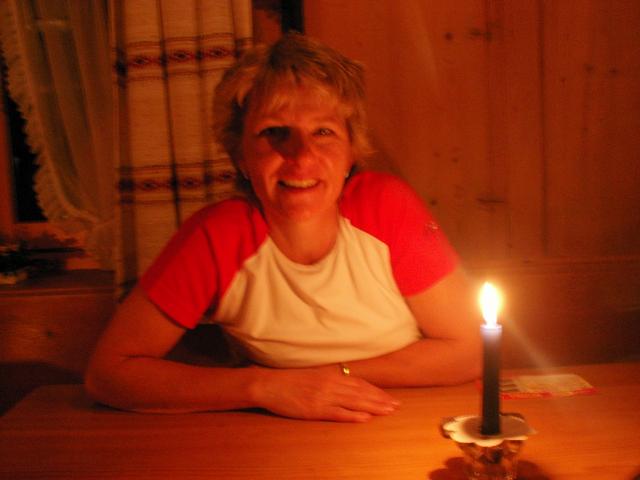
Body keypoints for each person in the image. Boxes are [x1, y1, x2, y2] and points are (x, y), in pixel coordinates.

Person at [85, 33, 482, 423]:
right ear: (240, 156)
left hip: (404, 415)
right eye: (274, 132)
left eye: (323, 132)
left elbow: (470, 350)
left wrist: (331, 379)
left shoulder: (386, 207)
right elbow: (110, 374)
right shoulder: (216, 236)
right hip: (276, 429)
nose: (301, 156)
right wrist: (264, 387)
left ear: (351, 152)